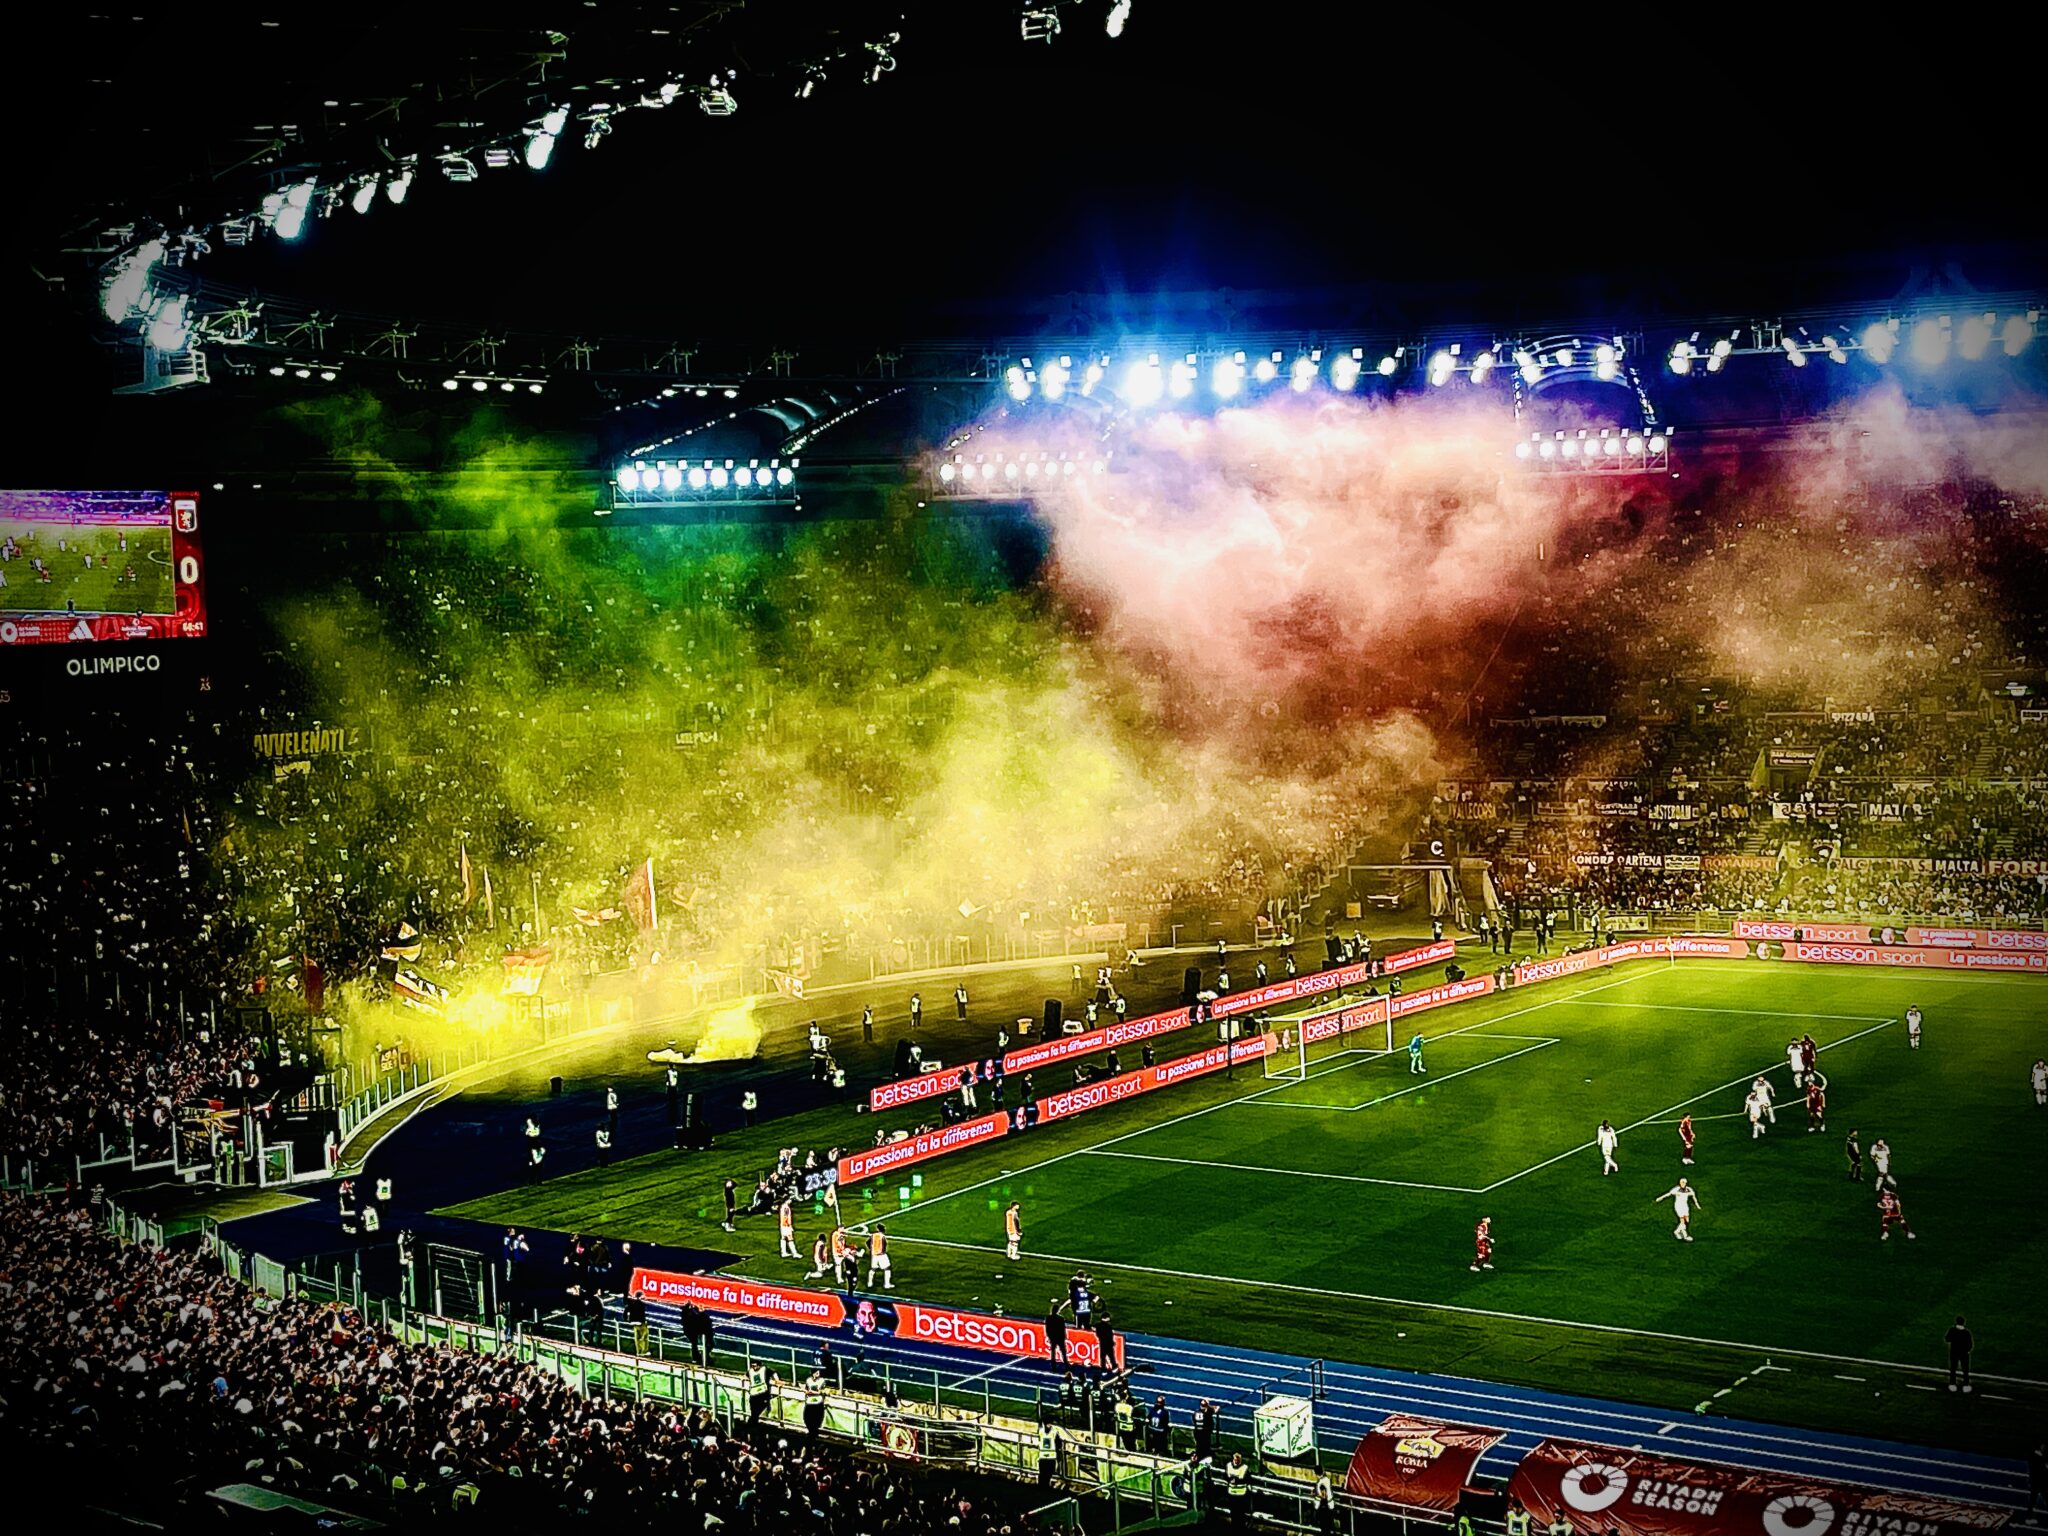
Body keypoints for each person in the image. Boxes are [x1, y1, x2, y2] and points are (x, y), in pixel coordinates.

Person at [1946, 1315, 1973, 1391]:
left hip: (1954, 1352)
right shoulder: (1966, 1332)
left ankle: (1952, 1384)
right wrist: (1967, 1350)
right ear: (1964, 1323)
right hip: (1964, 1353)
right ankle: (1966, 1385)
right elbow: (1970, 1344)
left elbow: (1947, 1339)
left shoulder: (1952, 1330)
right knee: (1965, 1370)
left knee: (1953, 1368)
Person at [1223, 1451, 1250, 1527]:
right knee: (1233, 1513)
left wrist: (1237, 1481)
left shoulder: (1244, 1468)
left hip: (1241, 1495)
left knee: (1241, 1514)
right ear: (1233, 1459)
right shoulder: (1228, 1466)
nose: (1237, 1461)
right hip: (1231, 1493)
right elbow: (1225, 1476)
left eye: (1238, 1459)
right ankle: (1234, 1526)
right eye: (1235, 1459)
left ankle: (1240, 1527)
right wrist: (1230, 1480)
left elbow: (1248, 1479)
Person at [867, 1223, 893, 1289]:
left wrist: (871, 1249)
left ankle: (869, 1283)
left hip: (874, 1254)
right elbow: (884, 1245)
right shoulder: (882, 1236)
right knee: (887, 1268)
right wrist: (882, 1252)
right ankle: (887, 1284)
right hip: (881, 1255)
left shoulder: (873, 1235)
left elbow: (867, 1242)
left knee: (873, 1268)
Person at [1046, 1298, 1070, 1366]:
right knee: (1063, 1351)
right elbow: (1062, 1328)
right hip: (1060, 1337)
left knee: (1053, 1351)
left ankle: (1053, 1364)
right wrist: (1064, 1336)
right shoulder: (1060, 1318)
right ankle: (1066, 1363)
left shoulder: (1048, 1318)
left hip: (1053, 1337)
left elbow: (1047, 1329)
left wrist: (1049, 1336)